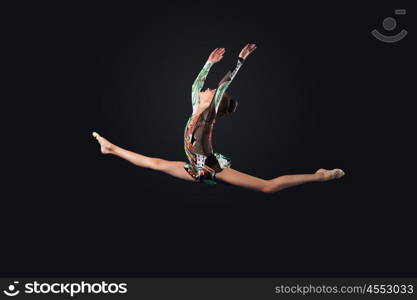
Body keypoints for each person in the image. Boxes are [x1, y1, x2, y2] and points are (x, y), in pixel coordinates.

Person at [92, 44, 344, 193]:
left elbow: (223, 86)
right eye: (207, 89)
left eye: (209, 92)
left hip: (211, 167)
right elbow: (196, 83)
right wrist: (209, 63)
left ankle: (321, 175)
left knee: (268, 187)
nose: (206, 89)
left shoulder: (203, 118)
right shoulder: (197, 107)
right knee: (154, 163)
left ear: (211, 101)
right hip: (195, 166)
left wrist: (241, 61)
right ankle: (110, 148)